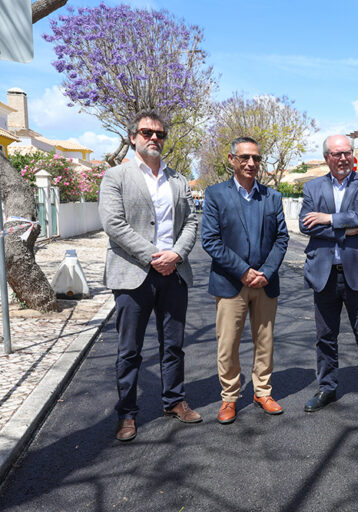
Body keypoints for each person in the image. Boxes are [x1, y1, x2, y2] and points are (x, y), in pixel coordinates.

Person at [98, 110, 200, 442]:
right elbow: (114, 225)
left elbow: (191, 223)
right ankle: (127, 414)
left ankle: (174, 401)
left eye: (159, 134)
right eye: (146, 132)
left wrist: (177, 254)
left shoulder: (179, 180)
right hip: (133, 274)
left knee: (174, 345)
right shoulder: (116, 176)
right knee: (129, 350)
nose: (153, 138)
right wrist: (153, 256)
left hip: (174, 273)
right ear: (133, 137)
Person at [201, 137, 289, 424]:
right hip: (230, 283)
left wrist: (266, 271)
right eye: (245, 158)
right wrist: (243, 271)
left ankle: (262, 391)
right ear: (231, 159)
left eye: (256, 158)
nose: (251, 163)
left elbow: (282, 238)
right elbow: (210, 241)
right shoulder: (215, 194)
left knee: (265, 341)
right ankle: (229, 397)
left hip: (265, 283)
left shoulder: (272, 197)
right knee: (228, 344)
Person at [300, 134, 358, 415]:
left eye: (346, 153)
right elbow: (305, 225)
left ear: (353, 155)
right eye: (336, 154)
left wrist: (329, 219)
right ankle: (327, 387)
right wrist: (348, 228)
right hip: (324, 274)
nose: (342, 158)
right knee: (325, 336)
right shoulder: (313, 187)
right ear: (327, 158)